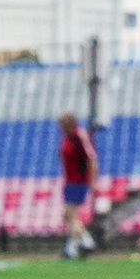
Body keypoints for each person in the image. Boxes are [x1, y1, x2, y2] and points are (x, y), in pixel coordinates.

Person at [57, 111, 99, 258]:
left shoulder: (79, 136)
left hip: (78, 181)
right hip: (70, 182)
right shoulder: (67, 138)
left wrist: (92, 181)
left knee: (71, 215)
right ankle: (83, 243)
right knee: (68, 216)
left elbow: (91, 159)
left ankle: (75, 247)